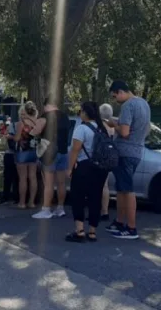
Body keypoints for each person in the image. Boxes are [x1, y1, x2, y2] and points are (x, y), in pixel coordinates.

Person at [105, 80, 151, 240]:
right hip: (137, 150)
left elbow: (124, 132)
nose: (115, 100)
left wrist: (113, 124)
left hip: (125, 152)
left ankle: (131, 228)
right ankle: (119, 222)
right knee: (121, 189)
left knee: (127, 190)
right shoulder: (144, 104)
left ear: (120, 92)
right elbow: (147, 129)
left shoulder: (128, 106)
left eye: (115, 96)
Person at [65, 102, 111, 242]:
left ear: (85, 113)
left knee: (78, 198)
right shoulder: (103, 128)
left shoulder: (81, 129)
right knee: (95, 198)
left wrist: (70, 168)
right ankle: (92, 232)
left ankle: (79, 230)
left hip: (84, 166)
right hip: (100, 168)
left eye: (81, 110)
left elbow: (75, 149)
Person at [31, 100, 71, 219]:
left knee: (48, 183)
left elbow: (35, 131)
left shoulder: (45, 116)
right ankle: (60, 208)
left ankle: (46, 209)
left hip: (50, 152)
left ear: (46, 106)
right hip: (63, 151)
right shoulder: (65, 117)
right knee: (61, 183)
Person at [15, 102, 40, 209]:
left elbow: (16, 138)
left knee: (23, 178)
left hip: (22, 151)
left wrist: (10, 137)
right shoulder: (37, 123)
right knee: (33, 177)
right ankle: (31, 202)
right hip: (34, 151)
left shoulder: (21, 123)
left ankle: (22, 203)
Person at [98, 103, 116, 221]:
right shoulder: (113, 126)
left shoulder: (100, 126)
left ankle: (98, 210)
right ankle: (105, 211)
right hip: (110, 157)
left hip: (100, 157)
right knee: (105, 185)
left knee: (97, 185)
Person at [0, 116, 19, 204]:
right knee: (16, 177)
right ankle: (16, 196)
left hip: (9, 154)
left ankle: (5, 196)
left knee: (7, 177)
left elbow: (4, 141)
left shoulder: (11, 126)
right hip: (18, 153)